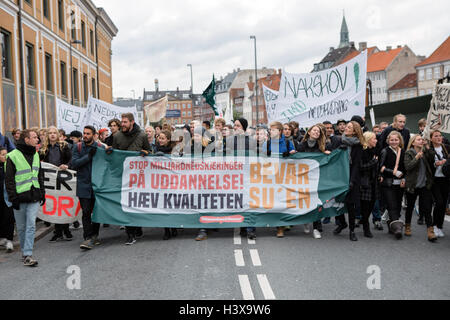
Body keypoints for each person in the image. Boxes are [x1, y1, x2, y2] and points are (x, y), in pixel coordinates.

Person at [5, 129, 45, 267]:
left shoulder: (36, 154)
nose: (37, 140)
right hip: (19, 197)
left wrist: (42, 193)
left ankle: (28, 254)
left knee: (31, 226)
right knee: (21, 227)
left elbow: (39, 175)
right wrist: (13, 198)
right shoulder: (12, 156)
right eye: (34, 137)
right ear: (26, 139)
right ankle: (24, 253)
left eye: (37, 137)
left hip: (34, 196)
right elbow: (9, 181)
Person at [110, 113, 151, 245]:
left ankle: (137, 227)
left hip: (138, 176)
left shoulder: (142, 135)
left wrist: (146, 153)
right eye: (122, 122)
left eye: (125, 122)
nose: (122, 124)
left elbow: (150, 152)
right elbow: (115, 156)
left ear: (132, 122)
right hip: (123, 175)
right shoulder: (116, 136)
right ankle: (130, 233)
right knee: (126, 204)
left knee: (136, 204)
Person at [72, 126, 104, 250]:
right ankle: (87, 237)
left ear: (94, 135)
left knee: (96, 212)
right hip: (83, 185)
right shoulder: (78, 147)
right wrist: (88, 157)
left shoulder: (100, 148)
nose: (85, 135)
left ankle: (94, 235)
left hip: (97, 185)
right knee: (86, 212)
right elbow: (74, 164)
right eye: (84, 133)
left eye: (88, 134)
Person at [296, 124, 331, 239]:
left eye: (319, 132)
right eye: (314, 130)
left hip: (316, 178)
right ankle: (306, 222)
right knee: (305, 201)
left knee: (316, 202)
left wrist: (325, 154)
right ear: (309, 132)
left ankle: (316, 227)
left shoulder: (321, 147)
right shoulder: (301, 145)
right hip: (304, 178)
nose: (316, 132)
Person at [39, 126, 73, 242]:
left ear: (58, 134)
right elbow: (39, 161)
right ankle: (58, 231)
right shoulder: (43, 148)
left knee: (64, 203)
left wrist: (67, 165)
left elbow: (71, 159)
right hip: (51, 180)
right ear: (47, 135)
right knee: (55, 204)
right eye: (50, 133)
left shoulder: (64, 146)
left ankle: (66, 230)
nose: (52, 135)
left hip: (63, 178)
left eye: (54, 133)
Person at [262, 122, 296, 238]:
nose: (271, 132)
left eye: (274, 130)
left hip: (285, 177)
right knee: (273, 201)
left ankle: (281, 227)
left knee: (283, 201)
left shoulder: (288, 142)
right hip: (271, 177)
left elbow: (295, 158)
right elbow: (262, 159)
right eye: (270, 130)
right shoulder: (266, 144)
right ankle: (276, 224)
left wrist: (291, 153)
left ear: (280, 131)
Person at [334, 121, 364, 241]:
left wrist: (351, 181)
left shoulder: (358, 145)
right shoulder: (338, 140)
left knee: (351, 205)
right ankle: (342, 223)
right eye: (346, 126)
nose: (346, 128)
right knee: (336, 202)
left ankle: (352, 230)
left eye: (349, 127)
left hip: (352, 176)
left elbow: (357, 164)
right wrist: (338, 151)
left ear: (355, 131)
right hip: (339, 176)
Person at [404, 135, 436, 241]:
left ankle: (430, 231)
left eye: (422, 139)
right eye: (419, 139)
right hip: (413, 185)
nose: (421, 141)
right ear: (413, 143)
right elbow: (408, 167)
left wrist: (427, 146)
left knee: (427, 208)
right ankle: (407, 226)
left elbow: (433, 158)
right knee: (410, 207)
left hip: (425, 185)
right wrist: (417, 157)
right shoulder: (409, 153)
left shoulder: (425, 152)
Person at [379, 131, 406, 239]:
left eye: (396, 139)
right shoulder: (385, 151)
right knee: (391, 205)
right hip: (388, 183)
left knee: (398, 205)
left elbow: (405, 167)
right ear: (388, 141)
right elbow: (380, 167)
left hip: (400, 184)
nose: (394, 142)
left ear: (400, 140)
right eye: (392, 140)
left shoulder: (403, 151)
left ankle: (392, 225)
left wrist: (404, 178)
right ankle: (398, 229)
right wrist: (393, 172)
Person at [427, 130, 449, 238]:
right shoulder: (429, 150)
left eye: (440, 136)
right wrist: (436, 164)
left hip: (445, 179)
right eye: (436, 136)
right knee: (439, 202)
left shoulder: (446, 147)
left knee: (444, 203)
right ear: (431, 138)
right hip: (434, 179)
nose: (439, 138)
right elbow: (428, 164)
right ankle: (434, 225)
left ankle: (440, 226)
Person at [359, 132, 380, 239]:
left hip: (374, 182)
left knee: (372, 204)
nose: (376, 140)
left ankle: (364, 220)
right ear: (368, 140)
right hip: (365, 183)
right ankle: (366, 228)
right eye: (374, 139)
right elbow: (361, 167)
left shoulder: (375, 151)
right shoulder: (363, 152)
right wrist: (373, 162)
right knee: (365, 207)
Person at [0, 147, 15, 253]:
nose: (6, 156)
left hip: (8, 197)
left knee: (9, 218)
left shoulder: (10, 166)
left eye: (6, 154)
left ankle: (9, 240)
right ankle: (2, 237)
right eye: (3, 154)